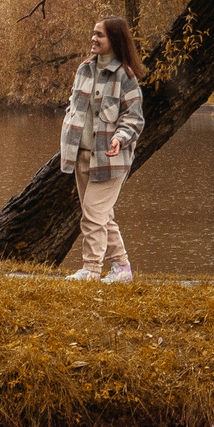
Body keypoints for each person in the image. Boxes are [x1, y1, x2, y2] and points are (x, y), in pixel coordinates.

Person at [60, 15, 144, 283]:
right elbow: (75, 108)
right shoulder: (84, 69)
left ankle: (91, 269)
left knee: (93, 216)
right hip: (82, 155)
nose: (93, 39)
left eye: (100, 35)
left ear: (115, 41)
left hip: (111, 159)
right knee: (101, 215)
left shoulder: (125, 76)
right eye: (93, 33)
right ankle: (122, 269)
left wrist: (120, 138)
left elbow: (134, 117)